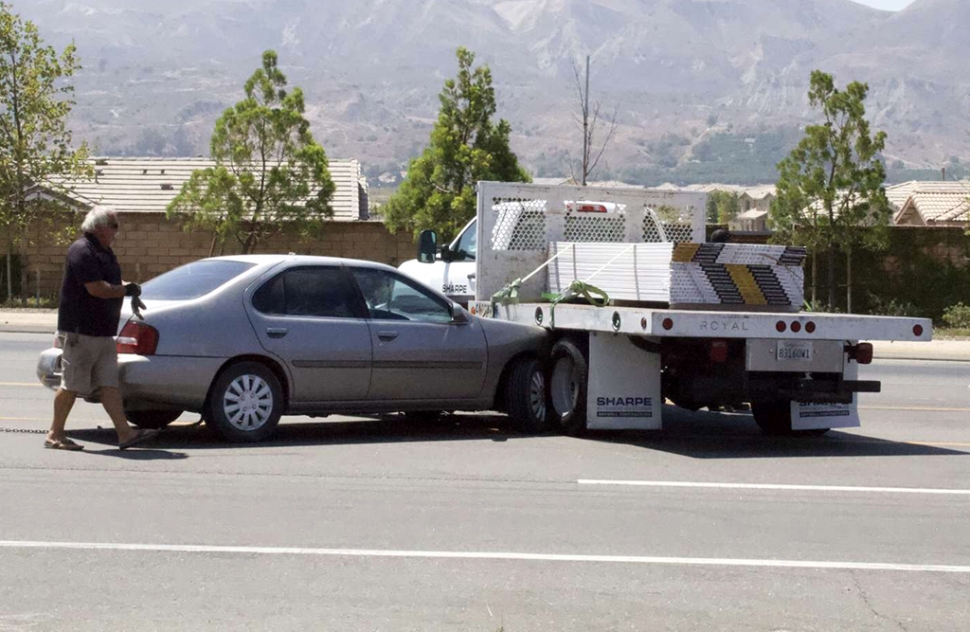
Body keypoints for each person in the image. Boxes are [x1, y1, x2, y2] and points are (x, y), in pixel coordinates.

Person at [45, 206, 160, 451]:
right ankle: (55, 434)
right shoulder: (82, 251)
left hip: (103, 332)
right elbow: (96, 288)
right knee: (71, 385)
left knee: (109, 384)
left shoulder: (104, 252)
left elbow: (112, 283)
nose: (117, 232)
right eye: (114, 226)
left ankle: (125, 434)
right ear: (99, 228)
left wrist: (129, 287)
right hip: (80, 332)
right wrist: (123, 290)